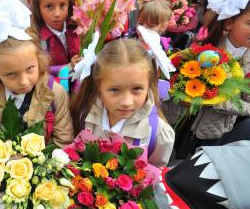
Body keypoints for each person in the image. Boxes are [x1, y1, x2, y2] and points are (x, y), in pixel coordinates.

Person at [167, 0, 250, 156]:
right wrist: (181, 92)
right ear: (229, 23)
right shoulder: (203, 44)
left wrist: (218, 101)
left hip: (209, 135)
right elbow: (173, 77)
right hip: (174, 122)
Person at [0, 0, 74, 147]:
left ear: (38, 58)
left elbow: (64, 141)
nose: (24, 81)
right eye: (11, 74)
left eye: (30, 68)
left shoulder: (54, 93)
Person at [70, 38, 175, 167]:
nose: (126, 102)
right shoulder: (85, 115)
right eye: (114, 90)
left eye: (137, 89)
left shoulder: (157, 135)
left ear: (149, 84)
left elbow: (155, 175)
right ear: (98, 86)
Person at [31, 0, 81, 92]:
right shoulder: (36, 36)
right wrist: (68, 67)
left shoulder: (76, 26)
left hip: (79, 87)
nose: (57, 13)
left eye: (62, 5)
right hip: (53, 91)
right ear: (38, 7)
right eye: (49, 6)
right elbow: (41, 68)